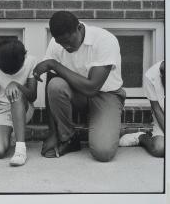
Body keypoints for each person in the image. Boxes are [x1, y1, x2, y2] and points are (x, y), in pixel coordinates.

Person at [33, 11, 126, 162]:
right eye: (60, 42)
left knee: (103, 153)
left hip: (106, 94)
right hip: (76, 94)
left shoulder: (104, 40)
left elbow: (92, 88)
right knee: (55, 85)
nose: (66, 46)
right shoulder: (55, 44)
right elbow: (50, 88)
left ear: (79, 28)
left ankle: (104, 121)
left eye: (68, 40)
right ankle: (68, 138)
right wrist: (52, 133)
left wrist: (54, 64)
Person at [0, 40, 37, 166]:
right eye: (5, 71)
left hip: (23, 107)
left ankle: (20, 149)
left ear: (24, 58)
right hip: (3, 110)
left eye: (14, 71)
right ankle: (10, 132)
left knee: (15, 93)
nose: (10, 74)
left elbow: (32, 96)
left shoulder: (30, 61)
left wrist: (16, 84)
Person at [119, 61, 164, 157]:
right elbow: (157, 109)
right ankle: (141, 137)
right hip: (163, 119)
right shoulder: (151, 75)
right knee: (159, 149)